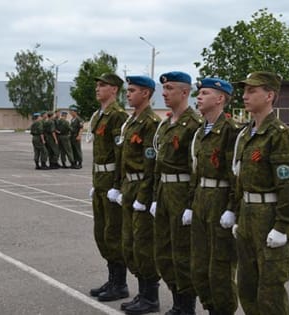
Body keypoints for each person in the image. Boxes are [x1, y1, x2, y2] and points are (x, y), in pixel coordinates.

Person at [232, 71, 289, 315]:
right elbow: (239, 179)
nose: (245, 95)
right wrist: (236, 214)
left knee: (270, 290)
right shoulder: (246, 135)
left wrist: (282, 225)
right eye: (244, 91)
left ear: (269, 95)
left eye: (252, 91)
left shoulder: (282, 136)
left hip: (269, 216)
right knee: (247, 286)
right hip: (247, 216)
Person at [151, 71, 203, 315]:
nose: (164, 92)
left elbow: (196, 169)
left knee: (182, 253)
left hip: (182, 192)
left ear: (185, 92)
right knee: (163, 251)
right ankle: (176, 300)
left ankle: (186, 306)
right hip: (163, 190)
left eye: (170, 88)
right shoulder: (166, 123)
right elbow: (158, 164)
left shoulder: (194, 124)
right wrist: (153, 197)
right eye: (164, 88)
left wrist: (191, 204)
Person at [189, 78, 240, 315]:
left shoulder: (231, 132)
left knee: (220, 267)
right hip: (201, 198)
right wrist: (191, 204)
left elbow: (235, 175)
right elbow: (195, 170)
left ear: (220, 99)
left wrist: (232, 207)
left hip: (220, 200)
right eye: (199, 93)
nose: (199, 97)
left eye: (205, 93)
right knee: (199, 266)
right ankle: (210, 309)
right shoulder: (201, 131)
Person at [116, 75, 161, 315]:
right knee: (130, 243)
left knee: (143, 244)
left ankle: (150, 297)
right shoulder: (132, 121)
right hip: (129, 186)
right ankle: (142, 293)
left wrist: (144, 198)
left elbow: (150, 165)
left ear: (146, 94)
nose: (128, 94)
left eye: (132, 90)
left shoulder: (150, 123)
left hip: (140, 187)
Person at [88, 73, 129, 302]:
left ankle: (120, 284)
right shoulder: (99, 116)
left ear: (114, 90)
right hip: (100, 181)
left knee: (113, 233)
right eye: (98, 84)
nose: (98, 88)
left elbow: (119, 154)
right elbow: (97, 155)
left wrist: (117, 185)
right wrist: (96, 183)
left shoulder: (117, 116)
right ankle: (112, 279)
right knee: (101, 233)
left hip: (111, 183)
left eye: (102, 85)